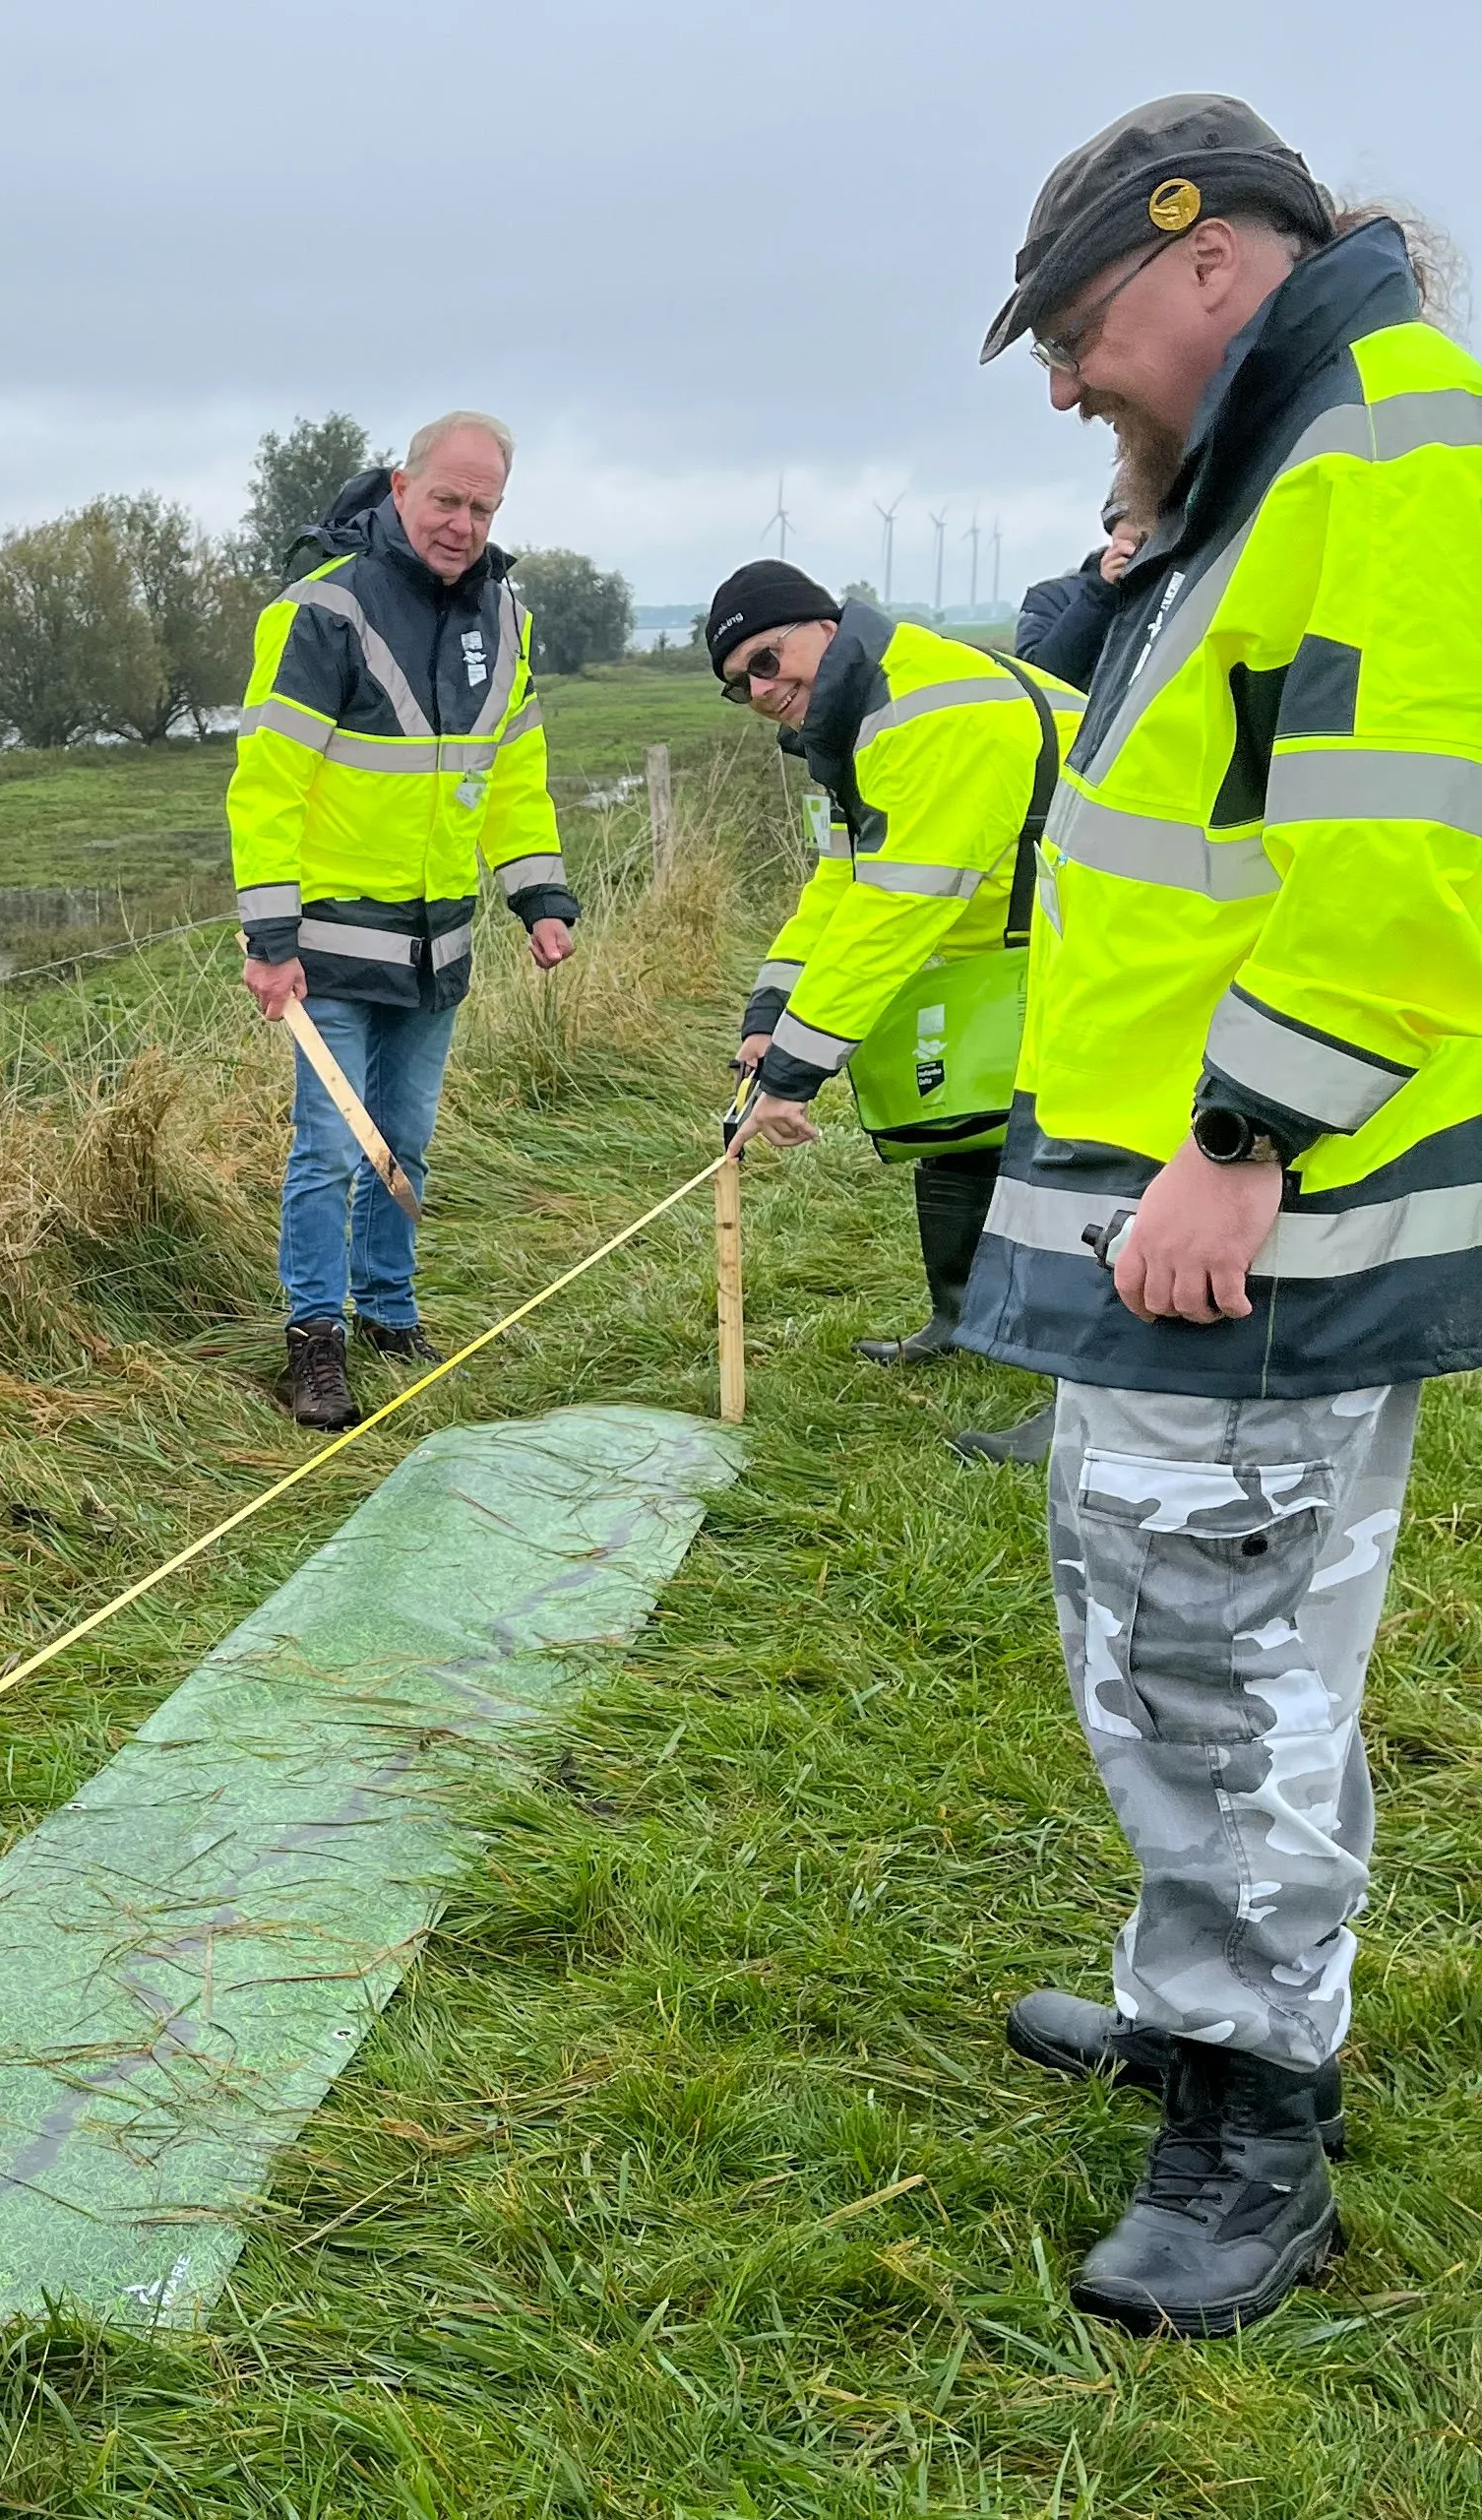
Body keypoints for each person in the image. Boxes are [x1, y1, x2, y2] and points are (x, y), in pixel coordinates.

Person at [959, 94, 1482, 2335]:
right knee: (1151, 1605)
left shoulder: (1388, 434)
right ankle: (1203, 1990)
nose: (1067, 380)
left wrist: (1248, 1130)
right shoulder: (1258, 461)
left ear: (1206, 260)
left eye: (1076, 333)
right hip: (1175, 1183)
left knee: (1231, 1638)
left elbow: (1412, 830)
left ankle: (1256, 2111)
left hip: (1270, 1196)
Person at [228, 410, 580, 1429]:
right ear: (398, 487)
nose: (462, 523)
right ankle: (316, 1341)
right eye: (446, 500)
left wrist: (538, 894)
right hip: (330, 943)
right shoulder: (319, 613)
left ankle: (390, 1312)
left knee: (407, 1140)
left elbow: (514, 773)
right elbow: (267, 786)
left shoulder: (504, 618)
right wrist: (270, 939)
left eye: (482, 506)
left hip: (442, 943)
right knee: (329, 1150)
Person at [713, 559, 1081, 1456]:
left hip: (1105, 938)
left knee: (1075, 1164)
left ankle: (1088, 1402)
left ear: (825, 629)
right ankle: (962, 1320)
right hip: (1002, 950)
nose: (762, 690)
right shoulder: (857, 721)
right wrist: (772, 1012)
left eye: (768, 659)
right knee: (951, 1128)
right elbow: (842, 886)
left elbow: (899, 909)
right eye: (740, 686)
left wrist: (797, 1074)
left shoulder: (931, 710)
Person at [1013, 489, 1148, 687]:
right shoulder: (1051, 597)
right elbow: (1040, 679)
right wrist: (1101, 592)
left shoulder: (1181, 589)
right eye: (1132, 548)